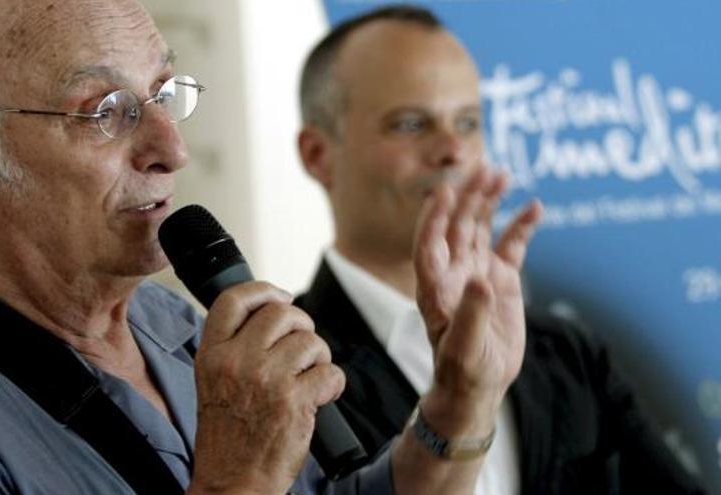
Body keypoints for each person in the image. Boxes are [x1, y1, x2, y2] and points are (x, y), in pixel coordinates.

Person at [0, 0, 539, 493]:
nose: (172, 149)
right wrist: (239, 479)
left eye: (163, 95)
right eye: (106, 112)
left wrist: (460, 401)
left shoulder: (178, 328)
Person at [294, 5, 706, 495]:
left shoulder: (567, 356)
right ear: (318, 154)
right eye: (410, 124)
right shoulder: (291, 371)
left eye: (468, 123)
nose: (453, 150)